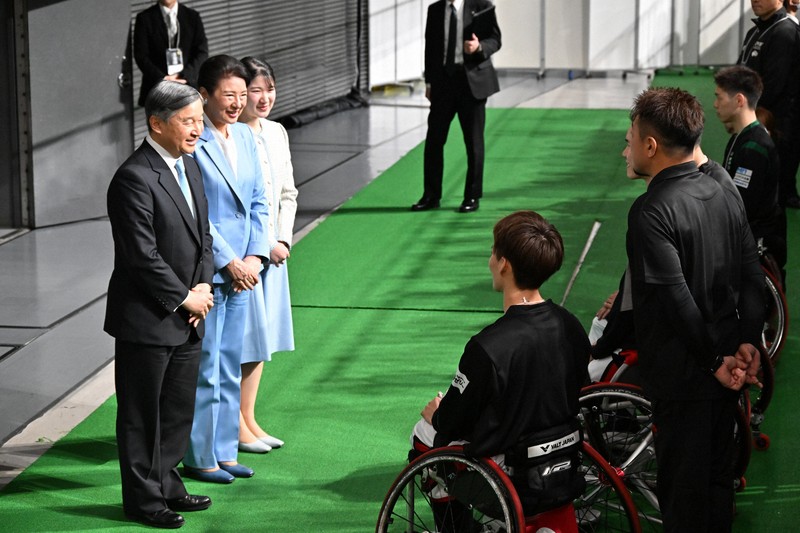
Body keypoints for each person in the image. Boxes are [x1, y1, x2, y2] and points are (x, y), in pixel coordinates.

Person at [622, 87, 764, 532]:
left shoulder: (651, 211)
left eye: (629, 138)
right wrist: (746, 343)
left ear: (650, 145)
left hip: (687, 379)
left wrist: (712, 363)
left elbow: (676, 301)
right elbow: (752, 276)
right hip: (728, 372)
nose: (625, 148)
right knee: (718, 485)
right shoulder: (723, 186)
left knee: (682, 499)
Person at [411, 210, 590, 528]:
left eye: (494, 252)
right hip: (565, 465)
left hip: (511, 479)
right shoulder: (570, 325)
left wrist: (436, 414)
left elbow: (452, 421)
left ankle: (462, 526)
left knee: (424, 433)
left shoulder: (487, 346)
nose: (491, 260)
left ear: (504, 263)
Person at [105, 80, 214, 529]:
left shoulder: (188, 166)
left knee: (175, 412)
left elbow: (203, 237)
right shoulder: (133, 177)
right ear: (157, 123)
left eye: (199, 120)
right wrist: (185, 296)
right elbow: (140, 256)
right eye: (188, 121)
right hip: (148, 319)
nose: (198, 130)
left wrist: (202, 290)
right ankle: (143, 501)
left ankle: (169, 486)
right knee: (141, 416)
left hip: (189, 315)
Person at [183, 55, 271, 483]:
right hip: (212, 271)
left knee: (230, 362)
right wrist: (230, 262)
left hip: (245, 272)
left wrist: (256, 255)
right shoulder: (194, 145)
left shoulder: (247, 138)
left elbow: (259, 201)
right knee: (208, 365)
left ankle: (225, 451)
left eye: (242, 95)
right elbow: (199, 216)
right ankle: (200, 456)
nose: (238, 103)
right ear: (204, 96)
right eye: (229, 95)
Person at [236, 56, 298, 453]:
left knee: (262, 342)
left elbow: (288, 193)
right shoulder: (229, 136)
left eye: (269, 89)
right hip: (248, 257)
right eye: (255, 90)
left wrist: (284, 240)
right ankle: (235, 424)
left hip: (276, 254)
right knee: (243, 341)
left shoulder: (277, 132)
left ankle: (249, 418)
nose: (264, 97)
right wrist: (265, 244)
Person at [411, 0, 501, 213]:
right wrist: (430, 82)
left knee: (473, 142)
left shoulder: (480, 5)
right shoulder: (435, 10)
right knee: (434, 140)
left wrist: (479, 47)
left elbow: (495, 39)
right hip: (443, 84)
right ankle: (431, 195)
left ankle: (472, 196)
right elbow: (430, 48)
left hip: (472, 83)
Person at [714, 65, 786, 283]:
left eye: (719, 97)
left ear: (739, 101)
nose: (715, 105)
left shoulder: (754, 147)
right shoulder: (741, 137)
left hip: (753, 243)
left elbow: (742, 205)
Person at [738, 0, 800, 208]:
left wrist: (745, 110)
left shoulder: (785, 32)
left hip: (777, 124)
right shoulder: (755, 31)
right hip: (756, 119)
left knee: (772, 199)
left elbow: (774, 85)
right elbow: (740, 72)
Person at [134, 0, 209, 107]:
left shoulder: (192, 16)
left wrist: (183, 76)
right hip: (157, 87)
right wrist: (163, 78)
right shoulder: (144, 18)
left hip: (188, 85)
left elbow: (202, 52)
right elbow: (141, 56)